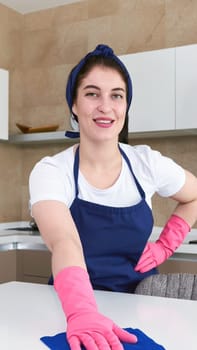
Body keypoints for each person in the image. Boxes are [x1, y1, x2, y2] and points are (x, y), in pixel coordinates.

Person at [29, 44, 197, 350]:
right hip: (70, 309)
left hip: (139, 305)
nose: (106, 106)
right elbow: (65, 241)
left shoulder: (147, 163)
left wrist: (165, 246)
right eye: (92, 94)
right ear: (74, 105)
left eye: (117, 95)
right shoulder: (53, 171)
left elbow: (194, 196)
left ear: (126, 105)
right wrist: (82, 311)